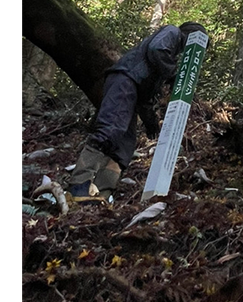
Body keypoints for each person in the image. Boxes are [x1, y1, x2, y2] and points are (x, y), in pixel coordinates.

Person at [67, 21, 206, 198]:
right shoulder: (173, 33)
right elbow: (156, 49)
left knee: (124, 147)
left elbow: (147, 94)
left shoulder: (169, 58)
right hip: (125, 79)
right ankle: (78, 184)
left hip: (134, 89)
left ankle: (101, 193)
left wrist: (150, 122)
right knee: (110, 130)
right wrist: (173, 74)